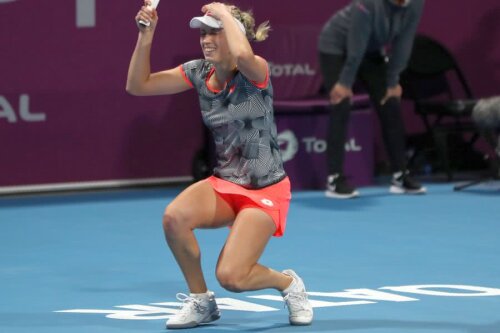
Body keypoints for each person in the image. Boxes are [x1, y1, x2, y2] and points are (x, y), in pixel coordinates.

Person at [126, 1, 313, 329]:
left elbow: (242, 56)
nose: (206, 39)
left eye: (215, 33)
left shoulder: (255, 72)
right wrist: (146, 35)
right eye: (203, 33)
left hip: (265, 188)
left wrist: (225, 13)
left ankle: (288, 284)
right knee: (174, 217)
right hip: (226, 183)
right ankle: (201, 301)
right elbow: (138, 86)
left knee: (232, 277)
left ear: (233, 34)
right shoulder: (198, 72)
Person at [318, 0, 427, 199]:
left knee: (390, 102)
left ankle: (400, 175)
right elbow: (356, 45)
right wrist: (344, 83)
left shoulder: (416, 3)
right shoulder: (368, 3)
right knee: (341, 103)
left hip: (371, 51)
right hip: (336, 46)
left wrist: (393, 80)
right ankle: (335, 179)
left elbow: (404, 41)